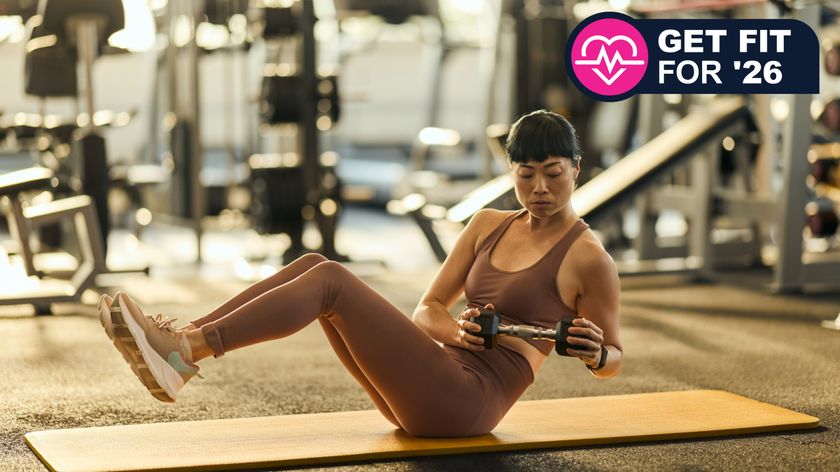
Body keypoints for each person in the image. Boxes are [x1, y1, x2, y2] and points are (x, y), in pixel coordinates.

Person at [99, 109, 622, 438]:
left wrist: (596, 354)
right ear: (511, 172)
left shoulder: (588, 258)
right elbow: (428, 311)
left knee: (331, 283)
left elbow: (612, 360)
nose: (539, 189)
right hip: (434, 377)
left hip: (468, 403)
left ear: (576, 169)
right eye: (526, 175)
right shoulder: (487, 224)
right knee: (314, 266)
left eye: (553, 174)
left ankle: (185, 351)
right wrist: (458, 333)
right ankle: (184, 343)